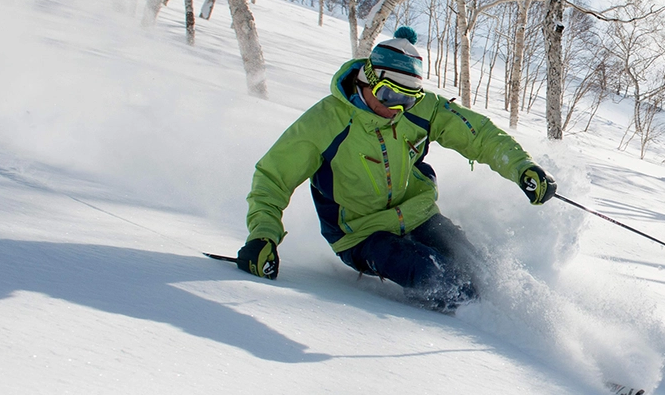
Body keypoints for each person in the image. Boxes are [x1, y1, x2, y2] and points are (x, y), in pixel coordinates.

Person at [236, 27, 556, 312]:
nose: (396, 109)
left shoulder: (418, 110)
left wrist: (521, 167)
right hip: (362, 233)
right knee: (438, 278)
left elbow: (479, 135)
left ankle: (529, 333)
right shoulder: (325, 122)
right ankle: (483, 332)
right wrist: (262, 236)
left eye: (408, 100)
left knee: (482, 270)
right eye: (389, 95)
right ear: (368, 79)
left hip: (419, 215)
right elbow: (272, 177)